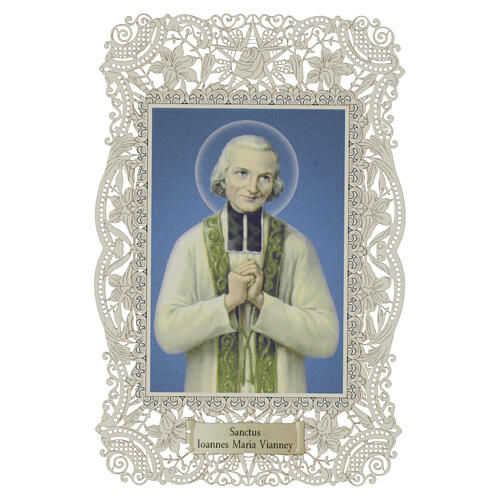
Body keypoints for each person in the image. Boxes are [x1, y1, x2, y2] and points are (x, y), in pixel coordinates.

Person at [154, 135, 339, 393]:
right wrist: (228, 302)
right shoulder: (190, 245)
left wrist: (261, 301)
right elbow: (167, 334)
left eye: (264, 177)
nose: (253, 187)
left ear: (274, 183)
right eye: (242, 173)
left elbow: (327, 339)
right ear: (223, 177)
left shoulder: (296, 246)